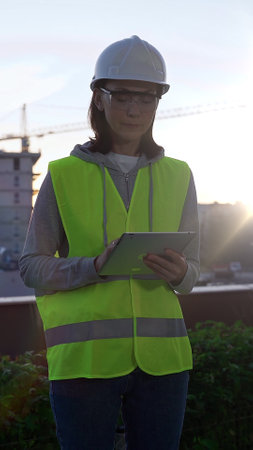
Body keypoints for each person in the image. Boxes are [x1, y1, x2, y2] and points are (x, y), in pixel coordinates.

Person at [19, 35, 200, 450]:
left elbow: (194, 272)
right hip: (84, 362)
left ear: (158, 102)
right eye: (121, 96)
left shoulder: (180, 174)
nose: (134, 109)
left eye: (147, 97)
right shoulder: (62, 174)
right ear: (99, 98)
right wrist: (93, 268)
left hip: (164, 364)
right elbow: (31, 266)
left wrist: (182, 274)